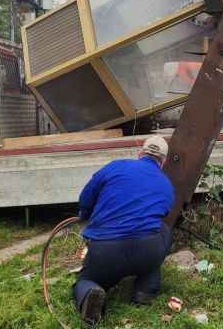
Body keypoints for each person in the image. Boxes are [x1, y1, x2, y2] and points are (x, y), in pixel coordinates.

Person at [73, 135, 174, 323]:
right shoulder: (167, 185)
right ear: (163, 162)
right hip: (145, 251)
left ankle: (89, 293)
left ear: (140, 153)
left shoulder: (116, 166)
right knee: (164, 231)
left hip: (105, 253)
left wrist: (85, 212)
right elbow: (162, 214)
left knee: (86, 279)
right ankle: (146, 289)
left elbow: (86, 196)